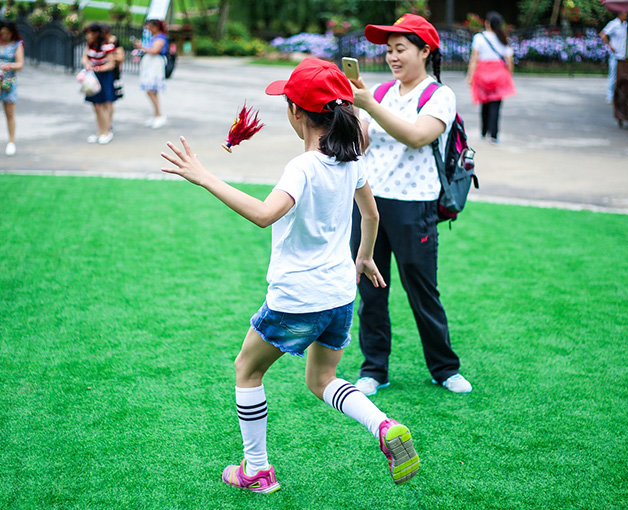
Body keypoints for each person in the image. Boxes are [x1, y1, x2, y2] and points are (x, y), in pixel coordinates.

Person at [160, 57, 420, 492]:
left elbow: (264, 215)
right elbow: (370, 214)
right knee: (322, 380)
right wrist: (365, 256)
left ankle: (257, 470)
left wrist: (205, 177)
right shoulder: (351, 161)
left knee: (247, 369)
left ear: (296, 113)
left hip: (297, 299)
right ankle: (383, 425)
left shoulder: (303, 167)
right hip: (338, 295)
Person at [347, 13, 472, 396]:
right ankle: (374, 369)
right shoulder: (382, 93)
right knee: (370, 290)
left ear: (425, 51)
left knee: (422, 289)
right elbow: (363, 143)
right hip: (369, 203)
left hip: (415, 206)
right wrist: (355, 110)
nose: (392, 57)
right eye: (388, 51)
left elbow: (418, 136)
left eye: (400, 49)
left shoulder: (439, 96)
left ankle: (445, 368)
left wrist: (370, 104)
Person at [466, 11, 516, 143]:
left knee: (485, 103)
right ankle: (494, 134)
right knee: (496, 105)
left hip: (482, 73)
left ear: (487, 23)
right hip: (499, 73)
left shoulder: (479, 38)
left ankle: (483, 131)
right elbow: (509, 61)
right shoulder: (504, 39)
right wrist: (508, 75)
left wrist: (470, 75)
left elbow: (474, 59)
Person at [81, 23, 116, 144]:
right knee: (95, 105)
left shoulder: (106, 46)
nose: (87, 36)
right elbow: (84, 57)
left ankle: (107, 131)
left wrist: (98, 68)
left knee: (101, 105)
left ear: (96, 34)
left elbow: (111, 63)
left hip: (104, 76)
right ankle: (100, 131)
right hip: (93, 75)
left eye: (89, 33)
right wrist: (87, 64)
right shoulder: (90, 45)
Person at [135, 19, 168, 129]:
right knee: (152, 91)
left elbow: (155, 51)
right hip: (151, 65)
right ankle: (156, 115)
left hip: (155, 66)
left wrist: (142, 48)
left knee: (151, 91)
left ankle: (159, 115)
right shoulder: (154, 37)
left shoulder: (160, 38)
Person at [0, 20, 24, 157]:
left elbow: (20, 64)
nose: (4, 36)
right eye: (2, 33)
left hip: (8, 83)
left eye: (7, 33)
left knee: (9, 113)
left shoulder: (16, 45)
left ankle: (11, 141)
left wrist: (10, 65)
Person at [599, 11, 628, 104]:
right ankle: (610, 96)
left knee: (622, 76)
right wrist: (610, 46)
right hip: (615, 55)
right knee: (613, 75)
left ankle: (619, 95)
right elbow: (603, 34)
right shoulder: (614, 24)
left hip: (623, 55)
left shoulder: (625, 25)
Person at [102, 24, 125, 131]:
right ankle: (104, 122)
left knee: (109, 99)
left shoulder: (114, 42)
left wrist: (109, 56)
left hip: (112, 74)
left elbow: (121, 57)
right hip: (102, 73)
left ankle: (108, 123)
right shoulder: (99, 43)